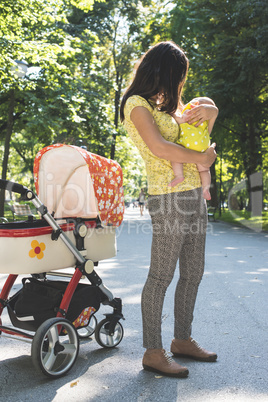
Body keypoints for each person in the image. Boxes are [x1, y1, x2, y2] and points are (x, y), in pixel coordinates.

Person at [120, 41, 218, 378]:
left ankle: (182, 339)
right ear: (163, 71)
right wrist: (204, 160)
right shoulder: (136, 105)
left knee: (194, 271)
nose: (179, 85)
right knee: (161, 275)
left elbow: (197, 133)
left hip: (192, 194)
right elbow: (160, 148)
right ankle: (153, 350)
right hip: (168, 197)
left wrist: (214, 111)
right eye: (178, 77)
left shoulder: (165, 108)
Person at [169, 98, 212, 200]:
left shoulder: (188, 115)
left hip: (186, 145)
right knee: (205, 170)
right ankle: (206, 189)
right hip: (202, 148)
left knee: (175, 156)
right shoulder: (205, 123)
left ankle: (179, 175)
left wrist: (171, 114)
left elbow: (177, 118)